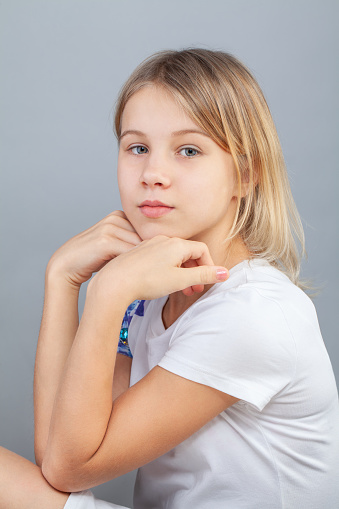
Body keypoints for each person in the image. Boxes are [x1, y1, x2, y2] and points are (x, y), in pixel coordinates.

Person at [1, 48, 338, 509]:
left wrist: (109, 290)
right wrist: (61, 279)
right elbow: (61, 447)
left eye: (188, 150)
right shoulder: (154, 296)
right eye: (137, 147)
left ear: (245, 174)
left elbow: (66, 467)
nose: (153, 175)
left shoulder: (254, 314)